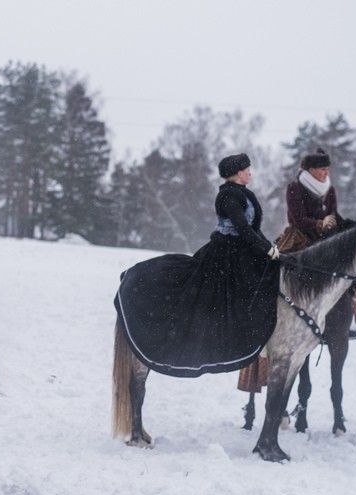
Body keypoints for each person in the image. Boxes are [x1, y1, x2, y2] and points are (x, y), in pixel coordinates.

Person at [114, 153, 283, 377]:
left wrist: (268, 246)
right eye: (248, 170)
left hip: (243, 250)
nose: (250, 173)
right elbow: (242, 228)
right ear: (239, 173)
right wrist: (265, 249)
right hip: (228, 253)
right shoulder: (228, 196)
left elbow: (253, 228)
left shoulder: (242, 193)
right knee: (227, 293)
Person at [236, 148, 356, 394]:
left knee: (352, 275)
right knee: (271, 270)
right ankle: (267, 316)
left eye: (328, 169)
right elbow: (296, 217)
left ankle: (349, 321)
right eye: (322, 169)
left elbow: (334, 215)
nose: (327, 172)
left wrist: (336, 225)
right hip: (298, 238)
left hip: (326, 240)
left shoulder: (331, 189)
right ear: (311, 170)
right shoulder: (295, 188)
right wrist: (318, 222)